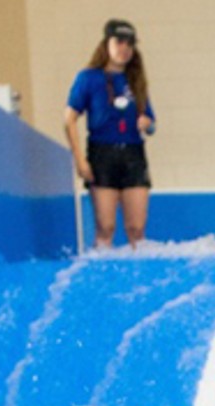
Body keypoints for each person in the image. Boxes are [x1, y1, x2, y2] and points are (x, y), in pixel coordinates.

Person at [65, 19, 157, 249]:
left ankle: (138, 278)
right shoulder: (88, 78)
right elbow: (69, 119)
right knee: (105, 227)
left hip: (133, 154)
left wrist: (148, 123)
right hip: (101, 154)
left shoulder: (136, 81)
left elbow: (152, 123)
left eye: (130, 44)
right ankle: (102, 277)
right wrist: (79, 159)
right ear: (106, 43)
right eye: (119, 42)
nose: (124, 48)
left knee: (136, 229)